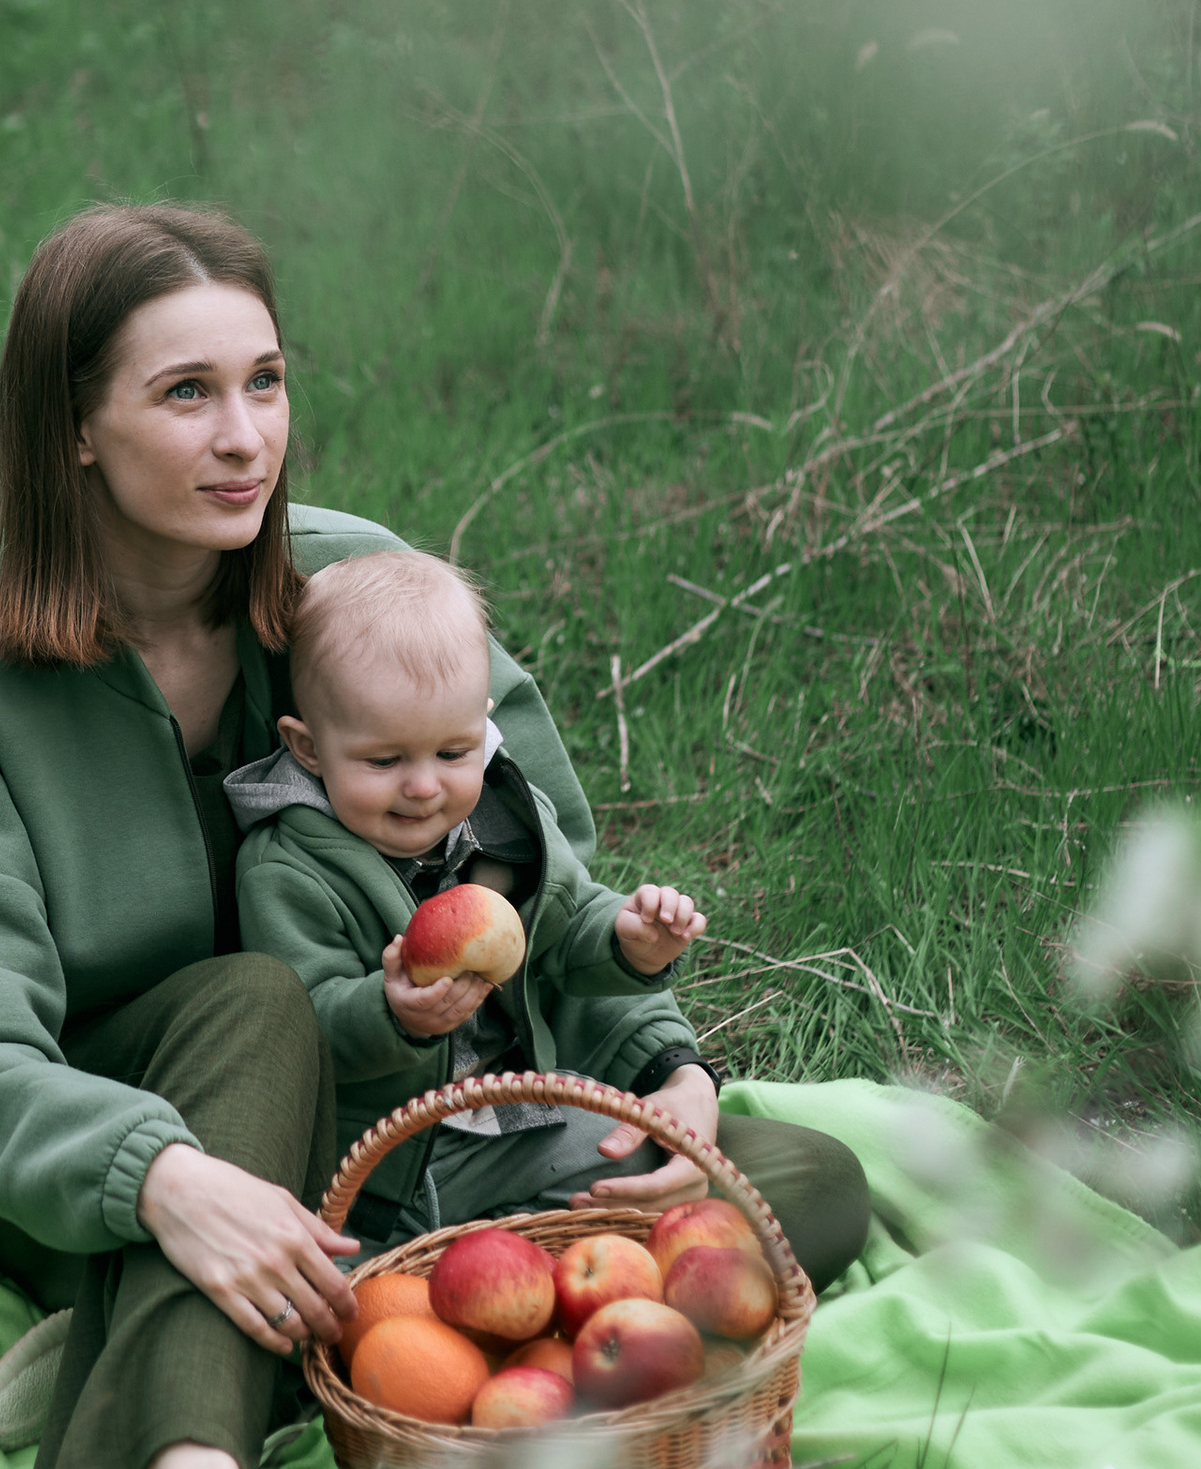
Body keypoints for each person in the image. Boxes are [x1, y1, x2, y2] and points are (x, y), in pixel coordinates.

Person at [0, 199, 620, 1469]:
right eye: (186, 393)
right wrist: (159, 1176)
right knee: (255, 1001)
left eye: (264, 381)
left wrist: (663, 1064)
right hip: (80, 1153)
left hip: (375, 1113)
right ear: (74, 428)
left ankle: (127, 1350)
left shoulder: (360, 596)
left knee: (782, 1186)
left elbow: (539, 857)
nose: (244, 438)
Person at [229, 546, 870, 1281]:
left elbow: (567, 930)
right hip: (384, 1174)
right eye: (383, 762)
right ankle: (473, 1282)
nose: (424, 788)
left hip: (517, 1125)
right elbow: (300, 1025)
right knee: (332, 1296)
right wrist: (391, 1012)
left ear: (486, 725)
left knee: (680, 1175)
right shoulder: (287, 867)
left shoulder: (508, 817)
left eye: (452, 750)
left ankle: (527, 1276)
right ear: (307, 748)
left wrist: (630, 942)